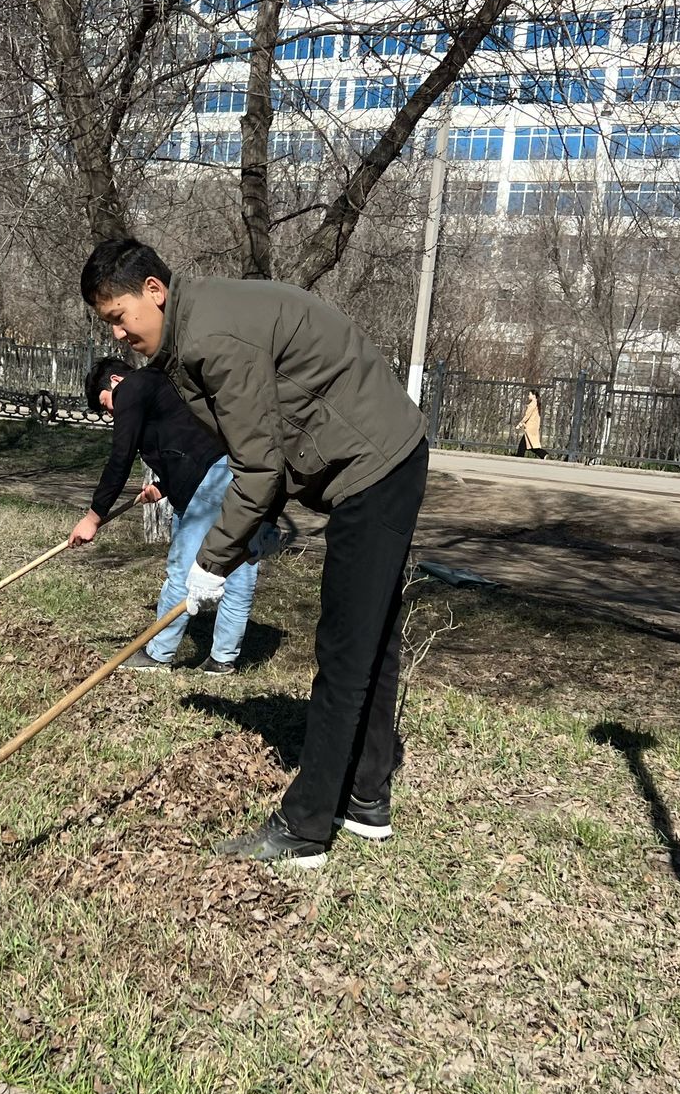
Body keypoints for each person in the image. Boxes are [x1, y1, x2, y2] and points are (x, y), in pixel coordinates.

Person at [80, 238, 429, 868]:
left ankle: (307, 826)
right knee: (370, 639)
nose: (118, 334)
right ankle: (366, 797)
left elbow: (259, 468)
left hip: (376, 463)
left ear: (154, 291)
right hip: (378, 454)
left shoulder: (211, 338)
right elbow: (262, 438)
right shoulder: (193, 331)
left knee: (346, 646)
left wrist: (211, 561)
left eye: (118, 316)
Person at [69, 356, 263, 674]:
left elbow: (120, 457)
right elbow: (185, 437)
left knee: (183, 569)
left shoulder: (132, 386)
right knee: (239, 566)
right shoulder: (162, 384)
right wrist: (163, 486)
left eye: (106, 404)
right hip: (228, 472)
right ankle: (222, 659)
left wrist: (93, 517)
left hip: (208, 481)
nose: (112, 413)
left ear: (115, 381)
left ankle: (158, 654)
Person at [514, 389, 547, 458]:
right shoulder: (537, 404)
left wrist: (520, 424)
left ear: (534, 395)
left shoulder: (532, 404)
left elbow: (527, 415)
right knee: (528, 444)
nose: (528, 396)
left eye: (529, 394)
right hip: (534, 426)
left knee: (524, 444)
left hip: (530, 426)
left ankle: (543, 454)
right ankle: (543, 454)